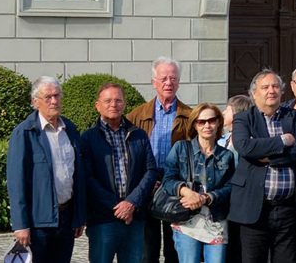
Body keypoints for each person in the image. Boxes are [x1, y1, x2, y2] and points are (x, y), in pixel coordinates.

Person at [229, 69, 296, 263]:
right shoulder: (244, 118)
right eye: (265, 87)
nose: (271, 91)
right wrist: (283, 140)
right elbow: (245, 147)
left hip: (288, 209)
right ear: (254, 93)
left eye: (275, 86)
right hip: (254, 208)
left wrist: (269, 158)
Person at [7, 76, 87, 263]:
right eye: (48, 97)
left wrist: (78, 216)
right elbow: (16, 182)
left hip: (66, 219)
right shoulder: (24, 133)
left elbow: (78, 175)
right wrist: (20, 225)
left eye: (57, 95)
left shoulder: (70, 130)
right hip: (38, 223)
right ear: (35, 101)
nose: (54, 101)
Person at [82, 82, 161, 263]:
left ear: (125, 104)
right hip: (103, 219)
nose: (113, 105)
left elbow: (150, 171)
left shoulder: (139, 135)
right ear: (97, 105)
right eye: (108, 101)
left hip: (135, 218)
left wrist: (132, 203)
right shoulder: (88, 138)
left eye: (118, 100)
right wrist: (118, 207)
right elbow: (87, 178)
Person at [126, 57, 193, 263]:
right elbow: (129, 154)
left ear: (179, 82)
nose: (168, 83)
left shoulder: (190, 116)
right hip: (147, 184)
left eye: (173, 78)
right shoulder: (136, 116)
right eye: (163, 78)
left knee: (175, 249)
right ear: (153, 82)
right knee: (148, 248)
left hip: (176, 187)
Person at [163, 103, 235, 263]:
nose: (207, 125)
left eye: (211, 120)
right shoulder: (180, 148)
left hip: (216, 221)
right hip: (187, 220)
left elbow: (230, 187)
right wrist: (186, 192)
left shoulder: (226, 155)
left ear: (218, 123)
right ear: (195, 125)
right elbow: (167, 180)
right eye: (201, 121)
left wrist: (207, 198)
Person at [220, 93, 253, 263]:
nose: (223, 113)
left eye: (227, 110)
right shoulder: (222, 140)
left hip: (239, 199)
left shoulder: (248, 140)